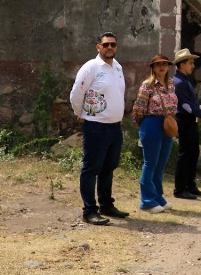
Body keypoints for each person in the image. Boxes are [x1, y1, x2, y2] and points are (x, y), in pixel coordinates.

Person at [69, 31, 129, 226]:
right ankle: (89, 211)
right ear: (98, 47)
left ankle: (106, 205)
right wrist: (80, 112)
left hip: (114, 127)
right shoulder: (91, 67)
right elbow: (76, 94)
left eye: (113, 44)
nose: (109, 48)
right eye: (106, 45)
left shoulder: (117, 67)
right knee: (91, 168)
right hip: (96, 126)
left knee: (108, 167)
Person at [131, 54, 178, 213]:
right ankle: (147, 201)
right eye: (158, 64)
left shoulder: (171, 84)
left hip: (167, 123)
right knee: (150, 163)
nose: (162, 67)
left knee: (161, 164)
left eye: (165, 64)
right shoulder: (147, 85)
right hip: (151, 123)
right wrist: (143, 127)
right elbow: (138, 109)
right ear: (153, 67)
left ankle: (158, 197)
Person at [171, 48, 201, 200]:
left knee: (193, 153)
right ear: (182, 64)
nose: (193, 65)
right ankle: (180, 189)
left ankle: (190, 185)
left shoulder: (185, 80)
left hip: (189, 120)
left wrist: (198, 112)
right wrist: (200, 113)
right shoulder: (178, 82)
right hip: (184, 120)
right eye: (190, 63)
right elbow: (185, 104)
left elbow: (192, 102)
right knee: (185, 154)